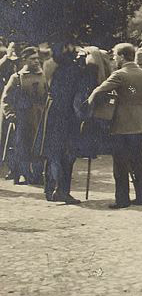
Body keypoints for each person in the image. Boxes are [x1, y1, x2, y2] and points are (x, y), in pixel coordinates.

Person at [87, 44, 142, 209]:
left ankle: (122, 199)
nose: (114, 59)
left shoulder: (120, 75)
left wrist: (90, 105)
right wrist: (129, 90)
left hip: (122, 125)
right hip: (140, 123)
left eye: (116, 56)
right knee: (139, 162)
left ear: (123, 57)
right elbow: (141, 94)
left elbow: (98, 91)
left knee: (120, 164)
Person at [38, 47, 83, 203]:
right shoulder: (75, 70)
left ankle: (49, 189)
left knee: (52, 151)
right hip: (68, 114)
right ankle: (62, 191)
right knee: (67, 154)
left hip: (51, 111)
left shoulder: (51, 68)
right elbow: (80, 93)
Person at [1, 47, 47, 186]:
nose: (36, 61)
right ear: (24, 60)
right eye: (32, 59)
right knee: (22, 147)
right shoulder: (16, 77)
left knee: (39, 146)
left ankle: (38, 174)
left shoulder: (44, 76)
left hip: (40, 117)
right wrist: (10, 114)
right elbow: (6, 99)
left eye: (37, 59)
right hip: (22, 118)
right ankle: (23, 173)